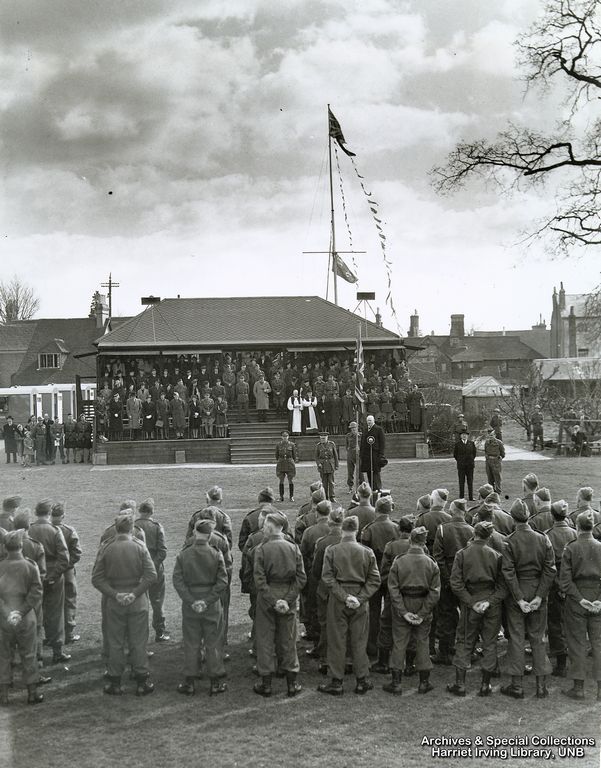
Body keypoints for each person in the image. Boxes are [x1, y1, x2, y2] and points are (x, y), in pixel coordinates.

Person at [91, 513, 157, 696]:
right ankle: (142, 681)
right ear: (131, 528)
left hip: (115, 602)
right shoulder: (140, 547)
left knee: (116, 642)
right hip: (138, 601)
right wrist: (135, 593)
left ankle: (115, 682)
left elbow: (96, 579)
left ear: (116, 527)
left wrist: (115, 594)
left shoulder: (107, 547)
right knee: (138, 642)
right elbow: (151, 575)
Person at [318, 515, 380, 696]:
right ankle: (362, 680)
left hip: (338, 598)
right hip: (360, 598)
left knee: (337, 640)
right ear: (357, 530)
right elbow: (375, 579)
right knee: (360, 640)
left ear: (342, 529)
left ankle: (336, 681)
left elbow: (327, 577)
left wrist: (344, 597)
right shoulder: (366, 551)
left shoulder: (332, 550)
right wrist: (360, 599)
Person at [501, 499, 555, 699]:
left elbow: (508, 572)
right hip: (537, 590)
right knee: (538, 638)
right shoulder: (543, 539)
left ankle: (517, 685)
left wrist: (519, 598)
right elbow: (550, 570)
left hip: (519, 592)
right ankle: (541, 687)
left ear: (513, 519)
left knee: (516, 637)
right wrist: (540, 596)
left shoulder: (510, 540)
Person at [449, 521, 505, 697]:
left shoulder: (462, 554)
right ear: (490, 536)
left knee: (465, 641)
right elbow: (503, 587)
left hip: (470, 602)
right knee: (489, 643)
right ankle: (485, 685)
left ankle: (460, 684)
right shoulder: (496, 555)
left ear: (475, 533)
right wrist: (489, 602)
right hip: (491, 603)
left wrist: (471, 602)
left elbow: (456, 583)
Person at [253, 512, 306, 698]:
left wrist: (273, 600)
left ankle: (266, 684)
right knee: (289, 639)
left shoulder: (262, 549)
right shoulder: (293, 548)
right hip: (288, 595)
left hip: (267, 597)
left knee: (265, 639)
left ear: (269, 527)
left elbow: (259, 580)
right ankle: (292, 683)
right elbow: (301, 578)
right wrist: (287, 599)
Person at [173, 519, 228, 696]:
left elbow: (178, 581)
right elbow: (222, 582)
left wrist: (191, 600)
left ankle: (189, 682)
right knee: (213, 643)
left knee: (191, 642)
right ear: (210, 535)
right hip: (211, 604)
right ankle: (215, 683)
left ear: (195, 533)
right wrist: (207, 600)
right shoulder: (215, 553)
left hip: (191, 603)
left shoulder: (184, 554)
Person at [384, 525, 440, 696]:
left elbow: (392, 588)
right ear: (424, 543)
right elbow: (435, 591)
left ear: (410, 541)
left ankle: (396, 682)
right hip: (423, 602)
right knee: (423, 641)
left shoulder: (399, 561)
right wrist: (423, 613)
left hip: (404, 602)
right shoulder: (431, 563)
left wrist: (402, 610)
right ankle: (424, 682)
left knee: (399, 641)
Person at [560, 511, 601, 701]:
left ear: (577, 527)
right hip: (596, 599)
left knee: (577, 643)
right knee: (598, 643)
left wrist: (579, 598)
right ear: (592, 527)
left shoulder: (571, 548)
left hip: (577, 600)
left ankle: (578, 688)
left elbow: (565, 582)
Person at [0, 531, 44, 706]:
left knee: (3, 656)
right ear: (21, 546)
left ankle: (3, 696)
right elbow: (36, 592)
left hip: (3, 618)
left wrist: (8, 613)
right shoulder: (31, 566)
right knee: (29, 655)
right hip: (26, 617)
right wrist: (21, 612)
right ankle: (32, 694)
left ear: (4, 547)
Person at [432, 499, 474, 665]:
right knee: (466, 617)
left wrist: (448, 578)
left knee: (446, 614)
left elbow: (438, 557)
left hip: (448, 579)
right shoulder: (471, 530)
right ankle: (464, 651)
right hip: (465, 580)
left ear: (453, 511)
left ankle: (445, 651)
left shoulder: (443, 529)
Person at [29, 500, 71, 665]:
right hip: (53, 575)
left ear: (36, 512)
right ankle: (57, 651)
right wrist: (53, 576)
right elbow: (64, 558)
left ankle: (37, 655)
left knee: (35, 615)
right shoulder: (54, 530)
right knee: (55, 614)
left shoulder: (29, 529)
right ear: (48, 513)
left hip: (34, 576)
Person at [361, 495, 400, 658]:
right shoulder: (397, 527)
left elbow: (363, 554)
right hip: (392, 573)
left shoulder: (369, 529)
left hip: (374, 573)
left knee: (374, 611)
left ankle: (372, 647)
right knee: (392, 611)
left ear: (376, 510)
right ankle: (390, 645)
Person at [544, 500, 577, 678]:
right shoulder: (575, 534)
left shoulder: (548, 535)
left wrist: (558, 585)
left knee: (555, 623)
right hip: (572, 586)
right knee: (571, 622)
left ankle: (561, 663)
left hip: (555, 586)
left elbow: (548, 565)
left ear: (552, 515)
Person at [134, 498, 169, 643]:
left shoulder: (133, 526)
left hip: (136, 570)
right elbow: (162, 551)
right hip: (155, 569)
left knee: (139, 604)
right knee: (157, 601)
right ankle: (160, 633)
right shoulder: (156, 526)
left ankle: (139, 636)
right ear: (151, 512)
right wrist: (152, 567)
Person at [51, 503, 82, 644]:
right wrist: (66, 566)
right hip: (67, 571)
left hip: (49, 570)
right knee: (69, 600)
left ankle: (51, 635)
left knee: (50, 602)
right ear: (63, 516)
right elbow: (76, 553)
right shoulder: (69, 530)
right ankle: (68, 634)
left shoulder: (46, 529)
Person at [360, 415, 386, 494]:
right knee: (368, 472)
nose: (369, 422)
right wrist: (361, 454)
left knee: (375, 472)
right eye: (368, 420)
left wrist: (381, 454)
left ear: (373, 421)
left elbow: (382, 443)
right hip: (366, 456)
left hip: (375, 454)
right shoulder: (365, 430)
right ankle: (371, 488)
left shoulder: (378, 429)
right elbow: (362, 443)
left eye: (370, 420)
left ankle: (377, 488)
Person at [314, 432, 339, 502]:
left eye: (324, 438)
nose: (323, 440)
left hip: (330, 465)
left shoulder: (332, 444)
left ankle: (332, 497)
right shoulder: (318, 446)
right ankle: (325, 497)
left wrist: (336, 465)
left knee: (331, 482)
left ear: (327, 438)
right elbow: (316, 457)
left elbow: (335, 456)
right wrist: (318, 463)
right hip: (322, 466)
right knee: (324, 482)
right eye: (321, 438)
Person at [453, 428, 476, 501]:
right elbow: (455, 455)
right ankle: (461, 497)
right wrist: (461, 461)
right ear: (460, 436)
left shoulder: (471, 443)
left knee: (470, 481)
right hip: (461, 466)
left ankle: (471, 497)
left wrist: (470, 461)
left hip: (470, 466)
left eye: (465, 435)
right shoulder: (457, 444)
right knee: (461, 481)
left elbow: (474, 454)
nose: (464, 436)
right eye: (462, 435)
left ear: (468, 436)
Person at [275, 431, 298, 502]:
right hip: (281, 463)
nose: (285, 438)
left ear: (288, 437)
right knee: (281, 480)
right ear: (281, 437)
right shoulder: (278, 445)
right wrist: (280, 460)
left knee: (290, 480)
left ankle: (291, 496)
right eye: (284, 436)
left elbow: (294, 455)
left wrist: (292, 461)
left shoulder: (292, 445)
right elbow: (276, 455)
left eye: (286, 436)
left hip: (289, 463)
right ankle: (281, 497)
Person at [484, 427, 505, 493]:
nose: (490, 437)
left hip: (496, 462)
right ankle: (491, 492)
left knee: (497, 478)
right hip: (488, 462)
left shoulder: (499, 443)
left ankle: (498, 492)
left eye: (492, 435)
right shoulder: (486, 443)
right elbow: (486, 451)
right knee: (490, 478)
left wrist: (498, 459)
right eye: (489, 435)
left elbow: (503, 453)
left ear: (495, 435)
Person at [345, 421, 361, 493]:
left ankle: (361, 487)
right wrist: (349, 452)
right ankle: (350, 487)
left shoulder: (360, 435)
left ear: (357, 428)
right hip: (350, 454)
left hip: (358, 454)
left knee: (360, 471)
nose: (353, 429)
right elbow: (346, 445)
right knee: (350, 472)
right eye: (352, 428)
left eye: (354, 427)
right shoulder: (348, 436)